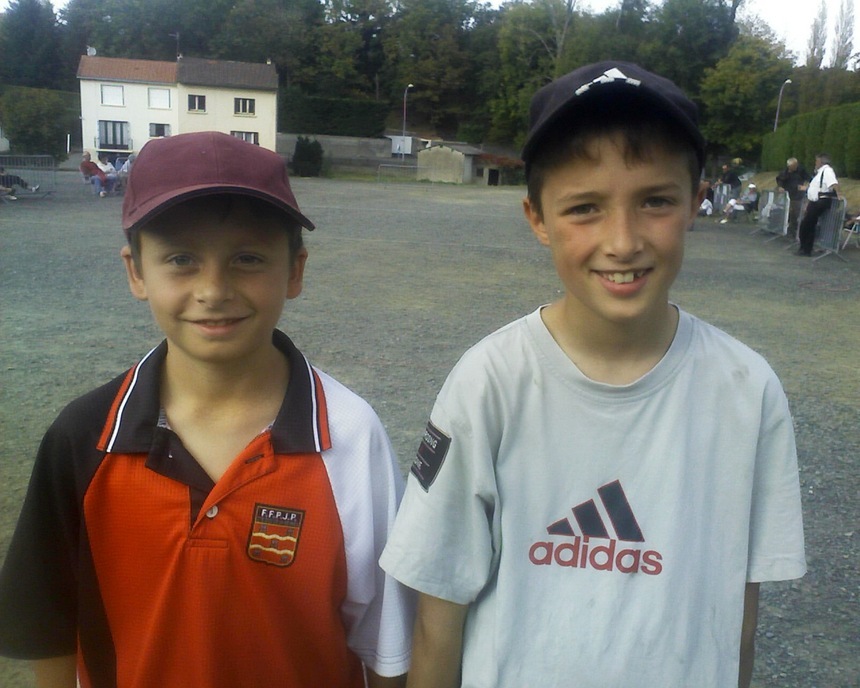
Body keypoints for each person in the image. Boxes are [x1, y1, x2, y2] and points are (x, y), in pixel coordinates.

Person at [380, 61, 806, 688]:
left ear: (695, 202)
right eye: (584, 208)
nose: (623, 240)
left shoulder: (748, 389)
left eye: (655, 201)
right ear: (537, 219)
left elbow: (738, 619)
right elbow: (437, 619)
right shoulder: (489, 383)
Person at [0, 131, 414, 687]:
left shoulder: (351, 435)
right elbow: (47, 627)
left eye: (247, 258)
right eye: (181, 259)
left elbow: (386, 644)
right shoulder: (83, 436)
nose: (213, 289)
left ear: (294, 271)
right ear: (136, 272)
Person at [796, 153, 839, 256]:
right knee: (807, 225)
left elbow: (833, 183)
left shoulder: (827, 171)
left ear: (821, 162)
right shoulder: (820, 173)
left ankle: (806, 249)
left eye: (816, 161)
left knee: (808, 225)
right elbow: (817, 187)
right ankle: (804, 248)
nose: (815, 163)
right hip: (815, 201)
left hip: (820, 201)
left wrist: (839, 194)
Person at [776, 157, 809, 236]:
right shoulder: (784, 172)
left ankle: (798, 231)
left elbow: (809, 178)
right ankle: (789, 229)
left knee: (797, 213)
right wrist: (780, 187)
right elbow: (779, 180)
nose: (795, 167)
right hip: (788, 195)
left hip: (798, 196)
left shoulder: (801, 170)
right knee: (789, 213)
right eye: (793, 166)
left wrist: (806, 186)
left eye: (796, 165)